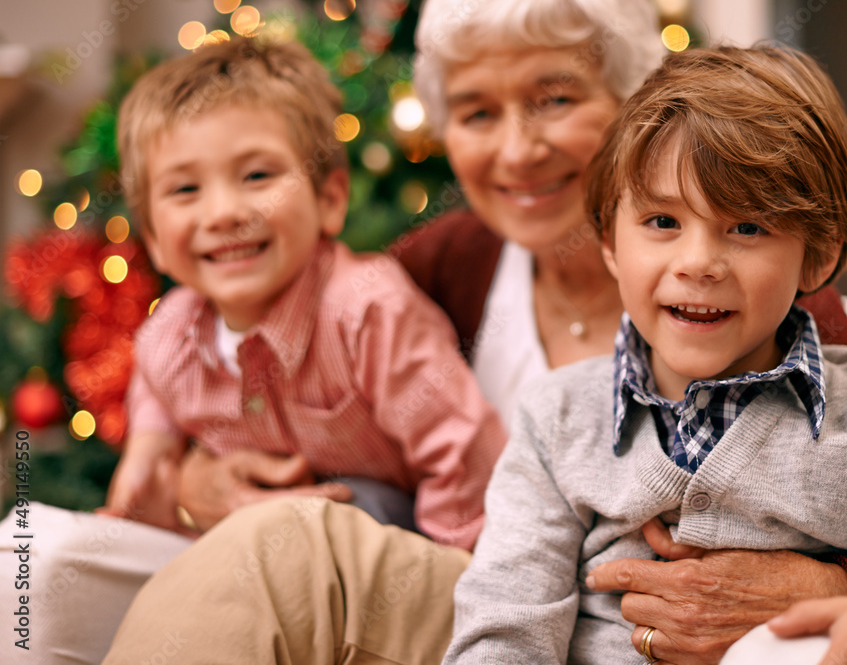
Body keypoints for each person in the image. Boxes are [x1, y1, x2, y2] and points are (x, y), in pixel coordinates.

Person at [102, 0, 847, 665]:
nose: (518, 150)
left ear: (635, 105)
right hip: (487, 614)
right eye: (479, 114)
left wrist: (831, 581)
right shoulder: (435, 268)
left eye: (554, 98)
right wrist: (188, 479)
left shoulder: (751, 293)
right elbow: (276, 375)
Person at [442, 44, 847, 665]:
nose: (698, 263)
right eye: (661, 221)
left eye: (748, 227)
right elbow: (506, 620)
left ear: (816, 255)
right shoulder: (556, 417)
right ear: (609, 242)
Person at [0, 36, 508, 664]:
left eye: (257, 176)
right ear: (155, 239)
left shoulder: (368, 309)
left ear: (329, 198)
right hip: (241, 547)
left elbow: (458, 445)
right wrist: (150, 452)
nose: (223, 212)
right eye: (185, 191)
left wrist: (462, 577)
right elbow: (155, 395)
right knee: (27, 553)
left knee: (343, 516)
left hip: (383, 533)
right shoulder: (171, 335)